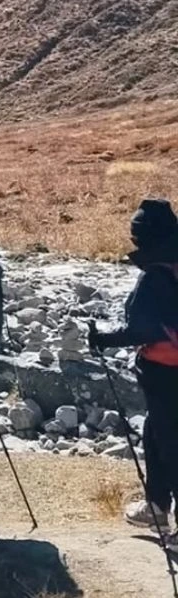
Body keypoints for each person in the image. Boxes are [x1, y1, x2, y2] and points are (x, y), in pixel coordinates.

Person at [91, 199, 178, 533]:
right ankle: (156, 505)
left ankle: (161, 510)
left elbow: (144, 331)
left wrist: (103, 340)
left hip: (164, 371)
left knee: (168, 442)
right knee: (155, 434)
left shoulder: (154, 278)